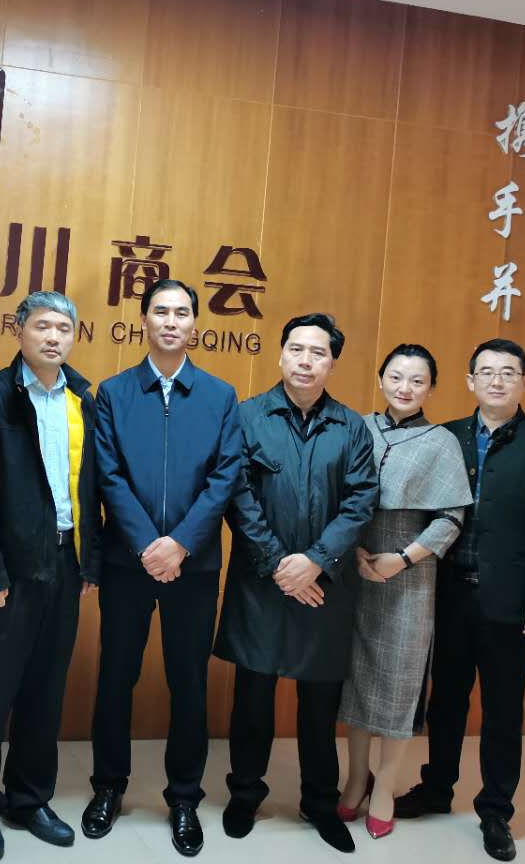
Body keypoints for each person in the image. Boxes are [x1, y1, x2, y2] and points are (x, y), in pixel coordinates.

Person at [394, 338, 525, 863]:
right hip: (448, 595)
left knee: (502, 710)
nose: (497, 381)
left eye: (509, 372)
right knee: (446, 700)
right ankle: (436, 788)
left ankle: (496, 810)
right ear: (470, 381)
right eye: (487, 372)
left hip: (511, 604)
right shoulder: (446, 436)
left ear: (523, 381)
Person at [83, 279, 243, 858]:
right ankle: (108, 786)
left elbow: (225, 478)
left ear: (195, 324)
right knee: (116, 676)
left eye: (181, 313)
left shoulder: (220, 395)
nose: (171, 321)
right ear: (144, 320)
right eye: (161, 311)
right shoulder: (114, 392)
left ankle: (183, 798)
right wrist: (149, 544)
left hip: (193, 567)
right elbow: (108, 475)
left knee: (188, 682)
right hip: (128, 562)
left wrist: (179, 545)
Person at [213, 312, 377, 855]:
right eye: (297, 349)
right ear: (281, 354)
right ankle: (245, 794)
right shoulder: (246, 417)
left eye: (318, 352)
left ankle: (321, 803)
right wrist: (281, 564)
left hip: (324, 586)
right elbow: (236, 495)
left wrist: (315, 562)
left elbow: (360, 501)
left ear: (332, 362)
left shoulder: (351, 427)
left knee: (319, 703)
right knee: (253, 698)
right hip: (263, 582)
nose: (306, 361)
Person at [0, 291, 102, 861]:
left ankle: (29, 798)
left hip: (66, 560)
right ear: (18, 330)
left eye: (63, 328)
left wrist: (88, 561)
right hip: (9, 570)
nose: (53, 337)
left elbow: (91, 487)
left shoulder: (83, 397)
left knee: (46, 688)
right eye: (42, 326)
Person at [336, 343, 470, 842]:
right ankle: (356, 778)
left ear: (431, 388)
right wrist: (352, 550)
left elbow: (451, 517)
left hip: (411, 572)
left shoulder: (441, 441)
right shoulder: (357, 428)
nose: (405, 388)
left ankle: (386, 787)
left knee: (398, 681)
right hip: (354, 562)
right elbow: (338, 496)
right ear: (380, 379)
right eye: (396, 377)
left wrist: (404, 557)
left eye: (417, 380)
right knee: (355, 678)